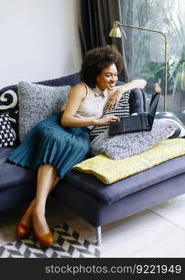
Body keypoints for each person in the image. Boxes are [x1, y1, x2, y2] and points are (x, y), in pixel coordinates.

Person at [8, 45, 146, 247]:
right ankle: (40, 214)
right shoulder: (80, 89)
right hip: (56, 128)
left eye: (115, 75)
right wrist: (98, 122)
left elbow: (141, 82)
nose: (113, 79)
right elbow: (66, 120)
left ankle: (32, 210)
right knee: (59, 144)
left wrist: (122, 89)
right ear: (96, 73)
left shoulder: (109, 91)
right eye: (108, 75)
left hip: (80, 135)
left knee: (78, 150)